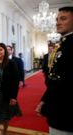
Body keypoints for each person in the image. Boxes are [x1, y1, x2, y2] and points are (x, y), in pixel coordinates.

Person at [35, 6, 73, 135]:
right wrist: (45, 99)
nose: (57, 22)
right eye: (57, 19)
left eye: (63, 19)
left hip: (66, 109)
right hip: (57, 105)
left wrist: (48, 101)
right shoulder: (63, 44)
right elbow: (54, 76)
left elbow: (66, 80)